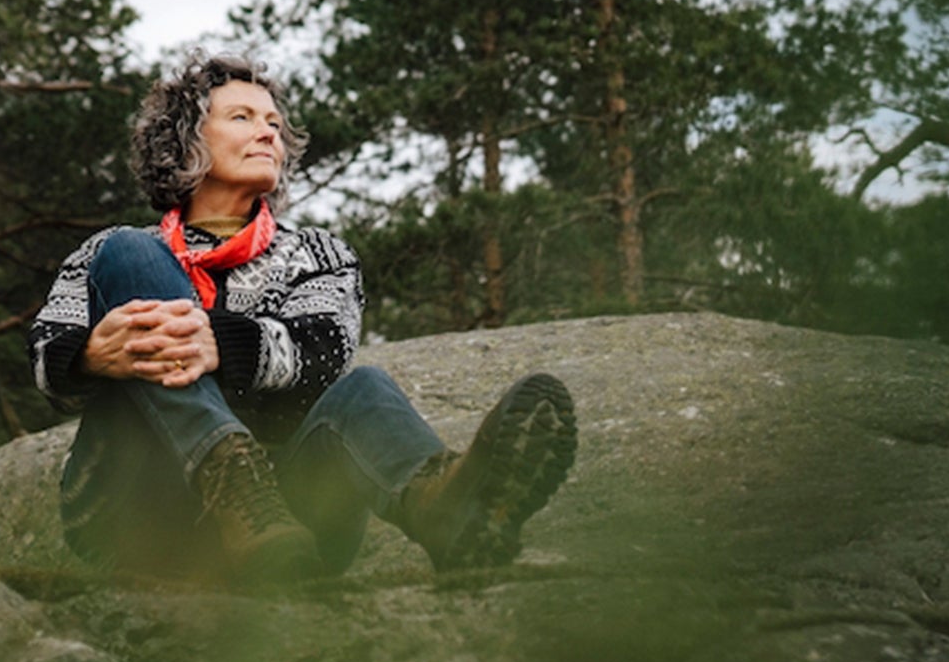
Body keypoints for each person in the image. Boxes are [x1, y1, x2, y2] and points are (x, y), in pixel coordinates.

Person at [28, 51, 576, 583]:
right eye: (241, 118)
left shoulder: (319, 254)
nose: (269, 133)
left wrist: (223, 344)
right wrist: (90, 358)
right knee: (132, 255)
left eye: (274, 122)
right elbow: (46, 361)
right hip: (139, 513)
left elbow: (325, 350)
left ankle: (444, 508)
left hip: (289, 524)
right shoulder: (111, 253)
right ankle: (231, 481)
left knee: (364, 386)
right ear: (185, 139)